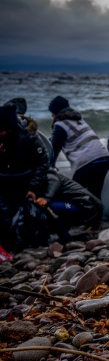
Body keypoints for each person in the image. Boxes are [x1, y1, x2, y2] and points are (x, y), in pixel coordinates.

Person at [0, 104, 49, 252]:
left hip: (26, 182)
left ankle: (30, 244)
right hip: (5, 181)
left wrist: (33, 186)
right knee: (4, 215)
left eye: (1, 130)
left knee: (28, 216)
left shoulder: (29, 137)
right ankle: (8, 245)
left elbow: (43, 161)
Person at [48, 96, 109, 201]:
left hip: (87, 162)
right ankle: (97, 216)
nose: (51, 116)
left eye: (52, 113)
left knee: (72, 194)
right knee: (94, 194)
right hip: (103, 157)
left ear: (55, 112)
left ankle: (76, 216)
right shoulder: (79, 119)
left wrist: (52, 166)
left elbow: (54, 149)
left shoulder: (59, 125)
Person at [28, 168, 104, 243]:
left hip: (84, 204)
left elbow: (53, 185)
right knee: (46, 206)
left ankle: (66, 238)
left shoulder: (49, 175)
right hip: (78, 204)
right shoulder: (39, 180)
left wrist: (46, 198)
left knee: (49, 206)